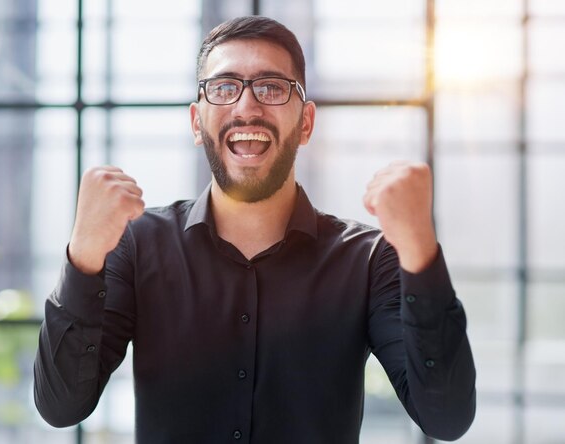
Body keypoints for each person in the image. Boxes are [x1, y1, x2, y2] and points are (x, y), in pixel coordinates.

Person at [34, 16, 476, 444]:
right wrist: (83, 255)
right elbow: (61, 407)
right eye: (224, 88)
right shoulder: (137, 244)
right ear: (196, 122)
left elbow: (446, 416)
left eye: (271, 87)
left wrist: (420, 249)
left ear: (305, 123)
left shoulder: (368, 259)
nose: (247, 107)